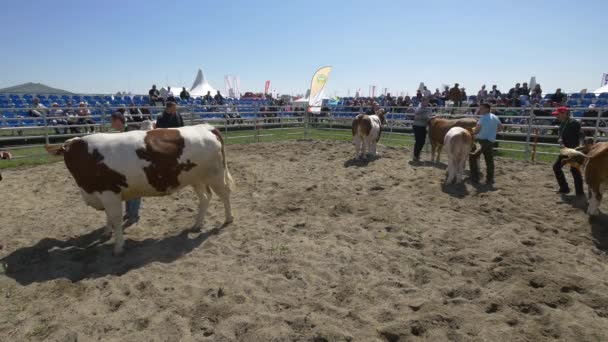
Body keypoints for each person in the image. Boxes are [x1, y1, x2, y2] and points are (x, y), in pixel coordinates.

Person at [110, 111, 141, 226]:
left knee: (135, 190)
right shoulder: (121, 133)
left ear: (118, 121)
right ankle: (129, 213)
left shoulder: (131, 130)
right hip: (126, 167)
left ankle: (134, 215)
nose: (111, 124)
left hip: (135, 166)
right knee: (128, 190)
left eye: (112, 121)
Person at [552, 107, 584, 196]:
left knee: (574, 170)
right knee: (556, 167)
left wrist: (580, 145)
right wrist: (560, 141)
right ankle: (564, 188)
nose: (556, 116)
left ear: (564, 113)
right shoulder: (562, 124)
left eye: (558, 114)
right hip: (566, 150)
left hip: (575, 150)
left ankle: (579, 192)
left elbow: (581, 135)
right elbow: (560, 136)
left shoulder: (574, 123)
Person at [469, 103, 502, 185]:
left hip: (481, 141)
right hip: (490, 141)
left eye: (482, 108)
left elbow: (477, 130)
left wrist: (471, 132)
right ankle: (490, 179)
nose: (480, 110)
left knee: (473, 157)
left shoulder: (483, 118)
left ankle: (474, 178)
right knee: (489, 160)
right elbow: (500, 128)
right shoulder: (495, 117)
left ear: (487, 109)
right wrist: (493, 132)